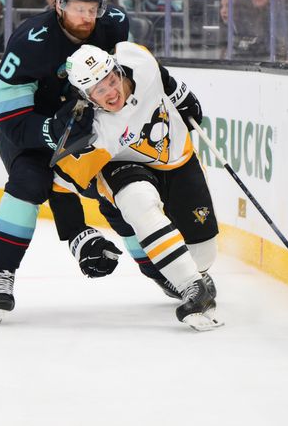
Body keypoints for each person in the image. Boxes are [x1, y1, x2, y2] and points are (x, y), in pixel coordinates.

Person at [0, 0, 133, 323]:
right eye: (79, 8)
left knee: (122, 189)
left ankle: (160, 266)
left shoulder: (114, 23)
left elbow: (129, 78)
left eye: (93, 7)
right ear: (58, 2)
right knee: (28, 185)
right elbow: (11, 121)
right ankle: (2, 273)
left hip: (90, 127)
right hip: (31, 131)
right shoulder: (27, 42)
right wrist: (50, 132)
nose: (88, 17)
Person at [54, 41, 221, 330]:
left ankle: (193, 273)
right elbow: (61, 182)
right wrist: (77, 234)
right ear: (86, 96)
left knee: (204, 253)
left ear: (118, 70)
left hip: (179, 158)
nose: (111, 92)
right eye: (99, 90)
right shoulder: (97, 130)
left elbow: (162, 76)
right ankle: (193, 286)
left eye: (111, 80)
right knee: (138, 202)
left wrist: (181, 94)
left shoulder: (139, 61)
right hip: (127, 167)